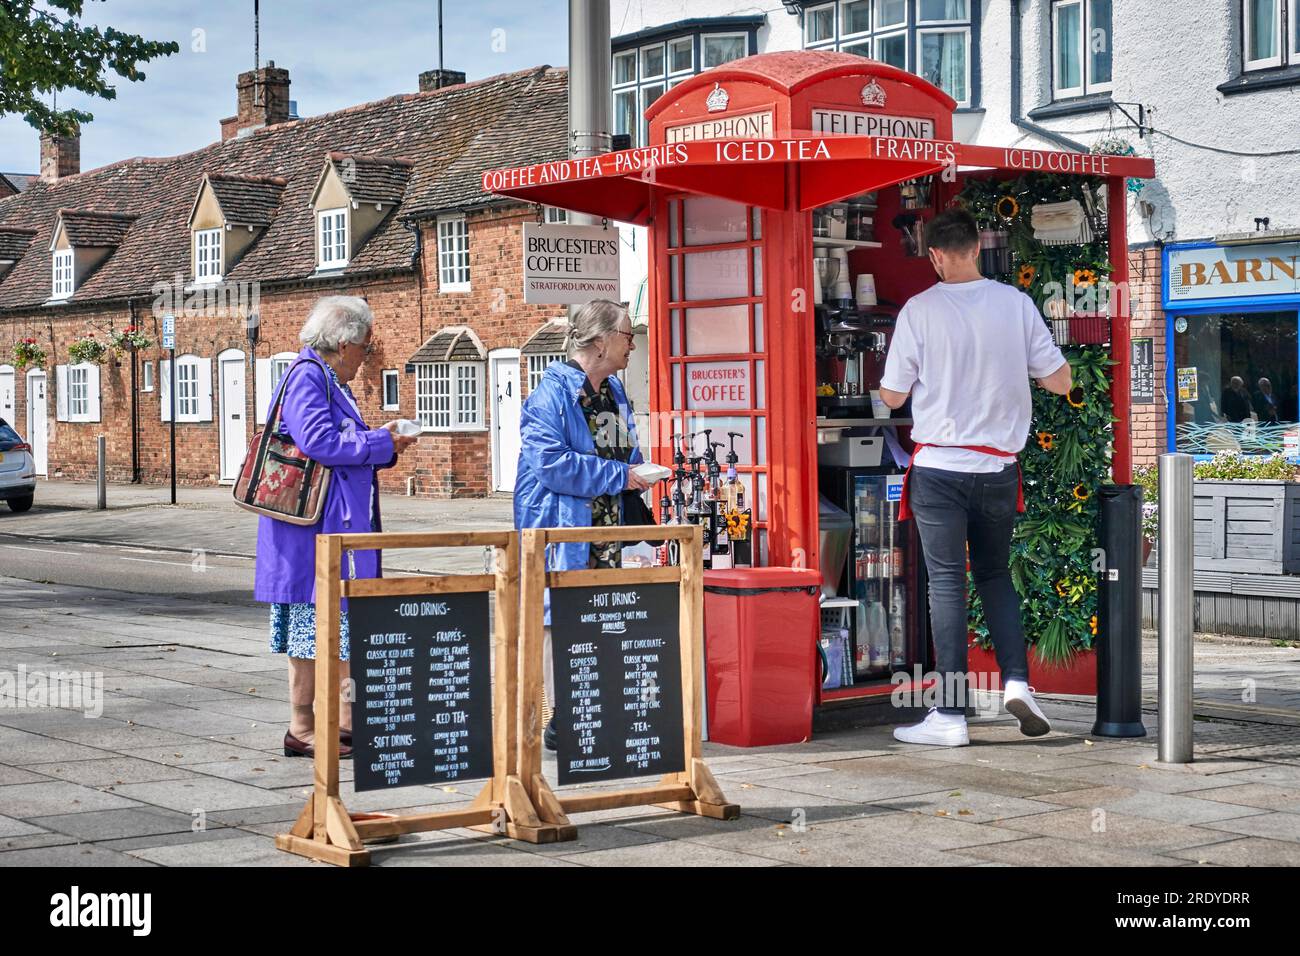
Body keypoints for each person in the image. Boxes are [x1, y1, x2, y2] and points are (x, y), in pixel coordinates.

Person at [878, 208, 1072, 747]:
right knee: (993, 575)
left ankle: (950, 715)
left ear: (935, 256)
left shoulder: (920, 310)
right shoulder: (1016, 303)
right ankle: (1017, 682)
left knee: (947, 583)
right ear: (977, 249)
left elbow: (893, 395)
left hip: (940, 467)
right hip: (997, 469)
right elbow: (1060, 380)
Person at [253, 296, 417, 758]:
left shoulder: (324, 378)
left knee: (341, 625)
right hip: (312, 531)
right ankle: (303, 726)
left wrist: (380, 443)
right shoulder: (308, 376)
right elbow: (321, 442)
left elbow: (337, 442)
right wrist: (381, 441)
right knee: (316, 628)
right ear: (343, 343)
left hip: (327, 526)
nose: (365, 358)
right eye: (364, 348)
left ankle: (345, 723)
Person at [513, 299, 650, 751]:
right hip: (562, 525)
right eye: (627, 335)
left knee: (605, 612)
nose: (632, 343)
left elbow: (626, 451)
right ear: (600, 340)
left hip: (608, 524)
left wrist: (639, 472)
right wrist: (620, 476)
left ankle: (595, 707)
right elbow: (551, 464)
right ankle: (561, 716)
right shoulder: (549, 395)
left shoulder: (614, 391)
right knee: (561, 616)